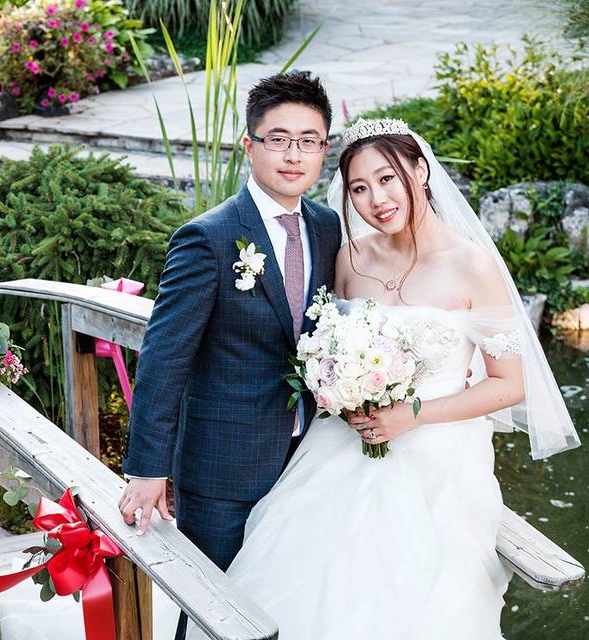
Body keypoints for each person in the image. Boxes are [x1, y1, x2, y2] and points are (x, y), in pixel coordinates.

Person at [182, 118, 580, 639]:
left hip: (437, 452)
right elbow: (322, 349)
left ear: (420, 170)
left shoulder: (472, 265)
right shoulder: (350, 258)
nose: (377, 199)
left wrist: (411, 415)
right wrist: (339, 388)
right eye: (359, 188)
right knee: (294, 572)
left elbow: (510, 384)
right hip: (342, 443)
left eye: (387, 178)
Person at [118, 70, 343, 640]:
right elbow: (164, 358)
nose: (294, 155)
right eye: (278, 138)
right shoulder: (209, 238)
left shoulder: (326, 227)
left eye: (309, 140)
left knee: (283, 606)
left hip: (308, 457)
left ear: (324, 149)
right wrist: (148, 468)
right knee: (213, 614)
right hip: (222, 467)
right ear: (250, 146)